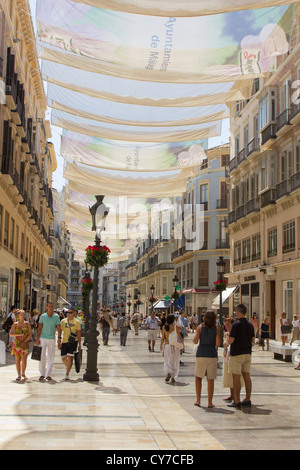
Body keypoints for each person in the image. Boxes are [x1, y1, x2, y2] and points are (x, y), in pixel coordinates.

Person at [227, 304, 255, 408]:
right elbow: (253, 339)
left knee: (236, 377)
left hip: (237, 353)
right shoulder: (250, 324)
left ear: (238, 312)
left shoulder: (236, 325)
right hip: (247, 353)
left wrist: (226, 341)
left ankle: (237, 400)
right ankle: (248, 399)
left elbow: (231, 340)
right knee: (247, 376)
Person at [193, 310, 221, 408]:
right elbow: (218, 344)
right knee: (210, 379)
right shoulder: (216, 329)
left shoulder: (200, 328)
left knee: (198, 378)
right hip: (212, 355)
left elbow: (195, 341)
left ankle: (198, 400)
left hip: (201, 354)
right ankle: (210, 402)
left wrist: (198, 333)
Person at [36, 302, 62, 381]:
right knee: (42, 355)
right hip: (43, 337)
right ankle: (42, 373)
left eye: (51, 306)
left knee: (51, 356)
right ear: (47, 307)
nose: (50, 308)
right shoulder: (43, 316)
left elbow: (59, 328)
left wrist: (59, 338)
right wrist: (38, 338)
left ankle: (48, 374)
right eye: (49, 306)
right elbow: (39, 327)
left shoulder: (56, 316)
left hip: (51, 338)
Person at [222, 317, 244, 401]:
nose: (227, 326)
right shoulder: (226, 333)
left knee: (234, 375)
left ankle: (236, 395)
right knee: (229, 375)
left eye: (228, 324)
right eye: (226, 324)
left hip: (234, 355)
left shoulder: (235, 333)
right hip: (227, 355)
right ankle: (231, 394)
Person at [9, 309, 32, 382]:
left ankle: (23, 373)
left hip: (24, 343)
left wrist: (25, 341)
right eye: (21, 315)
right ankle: (19, 374)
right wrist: (18, 334)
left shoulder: (27, 323)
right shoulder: (15, 324)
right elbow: (11, 334)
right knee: (17, 360)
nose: (23, 316)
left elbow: (30, 333)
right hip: (17, 344)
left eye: (23, 314)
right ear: (18, 316)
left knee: (24, 360)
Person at [160, 314, 183, 383]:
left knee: (167, 360)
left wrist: (161, 345)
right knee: (175, 361)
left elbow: (163, 337)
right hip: (175, 345)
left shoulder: (164, 327)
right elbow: (179, 336)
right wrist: (182, 345)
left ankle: (168, 372)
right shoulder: (175, 327)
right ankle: (173, 376)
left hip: (167, 345)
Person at [60, 308, 82, 380]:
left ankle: (67, 373)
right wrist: (59, 340)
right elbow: (60, 330)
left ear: (74, 313)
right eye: (67, 312)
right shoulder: (63, 321)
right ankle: (69, 366)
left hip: (73, 342)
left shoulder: (77, 322)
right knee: (63, 358)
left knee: (70, 357)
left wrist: (80, 344)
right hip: (64, 341)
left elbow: (79, 334)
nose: (68, 314)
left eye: (70, 312)